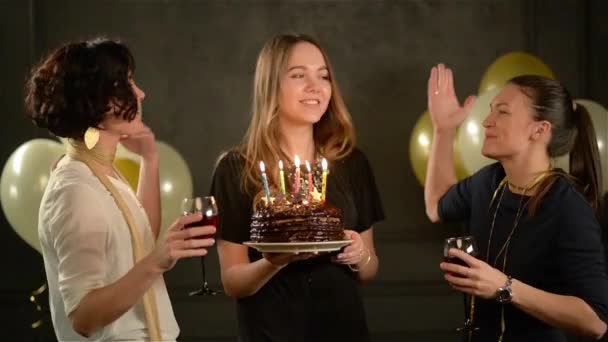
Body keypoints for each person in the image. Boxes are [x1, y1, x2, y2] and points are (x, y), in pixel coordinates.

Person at [25, 37, 215, 341]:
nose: (140, 93)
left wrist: (150, 161)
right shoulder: (75, 189)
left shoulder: (101, 171)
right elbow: (84, 318)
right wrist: (158, 261)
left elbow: (140, 242)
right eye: (125, 83)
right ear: (96, 101)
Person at [210, 33, 384, 341]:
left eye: (324, 76)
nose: (315, 87)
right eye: (299, 75)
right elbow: (233, 282)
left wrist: (359, 255)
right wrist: (273, 262)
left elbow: (370, 270)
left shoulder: (352, 163)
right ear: (271, 86)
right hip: (271, 332)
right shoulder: (236, 169)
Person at [425, 63, 608, 341]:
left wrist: (504, 287)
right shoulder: (488, 181)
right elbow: (436, 205)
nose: (487, 121)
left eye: (503, 112)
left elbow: (595, 322)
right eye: (491, 110)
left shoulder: (568, 207)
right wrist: (444, 129)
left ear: (539, 130)